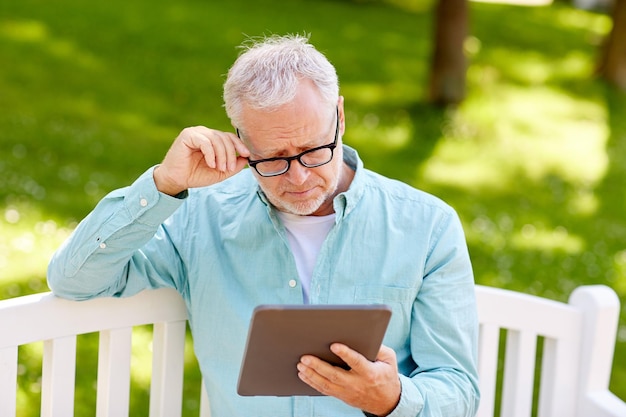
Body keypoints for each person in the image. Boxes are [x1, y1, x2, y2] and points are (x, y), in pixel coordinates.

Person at [48, 34, 480, 417]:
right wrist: (164, 183)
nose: (298, 178)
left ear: (340, 118)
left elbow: (459, 390)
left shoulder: (426, 225)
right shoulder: (200, 217)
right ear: (240, 138)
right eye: (272, 158)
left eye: (313, 151)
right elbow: (74, 280)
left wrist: (393, 398)